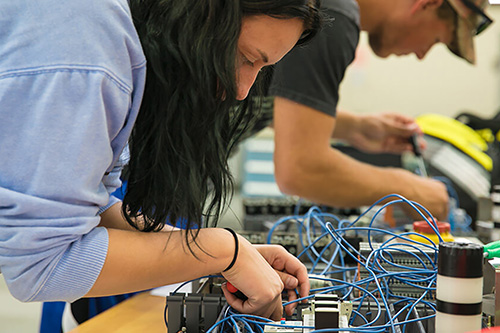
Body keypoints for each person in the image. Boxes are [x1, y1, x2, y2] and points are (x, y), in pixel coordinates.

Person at [0, 0, 322, 323]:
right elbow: (43, 265)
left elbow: (96, 210)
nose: (242, 91)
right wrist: (223, 252)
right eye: (245, 59)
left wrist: (229, 255)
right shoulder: (87, 34)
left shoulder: (115, 34)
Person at [258, 0, 493, 221]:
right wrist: (407, 189)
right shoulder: (332, 14)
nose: (422, 55)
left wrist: (355, 128)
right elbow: (301, 170)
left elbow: (255, 100)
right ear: (428, 3)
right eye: (436, 40)